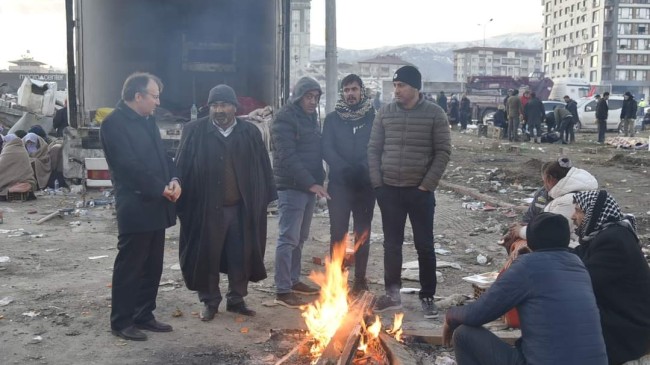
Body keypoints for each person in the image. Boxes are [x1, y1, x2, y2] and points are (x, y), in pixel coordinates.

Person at [443, 213, 608, 365]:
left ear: (530, 239)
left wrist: (451, 316)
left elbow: (478, 313)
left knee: (463, 334)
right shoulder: (577, 265)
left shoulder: (527, 266)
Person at [175, 84, 276, 321]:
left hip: (240, 208)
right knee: (207, 255)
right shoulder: (194, 131)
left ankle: (236, 299)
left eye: (224, 105)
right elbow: (180, 168)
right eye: (214, 105)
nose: (219, 110)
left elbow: (263, 167)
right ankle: (210, 301)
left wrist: (266, 200)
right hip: (206, 209)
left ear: (234, 107)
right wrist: (180, 202)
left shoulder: (250, 133)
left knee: (240, 255)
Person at [100, 72, 180, 341]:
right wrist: (160, 188)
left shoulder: (147, 121)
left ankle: (144, 314)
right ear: (138, 96)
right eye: (154, 96)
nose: (158, 102)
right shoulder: (113, 124)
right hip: (135, 205)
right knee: (130, 266)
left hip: (157, 204)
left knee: (153, 265)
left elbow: (162, 156)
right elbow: (127, 166)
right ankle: (121, 322)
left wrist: (174, 179)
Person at [367, 65, 451, 318]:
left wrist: (427, 185)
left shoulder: (435, 114)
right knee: (391, 245)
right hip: (389, 190)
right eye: (395, 85)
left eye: (401, 85)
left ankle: (428, 296)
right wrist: (378, 184)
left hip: (420, 192)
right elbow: (373, 149)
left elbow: (443, 152)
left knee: (424, 245)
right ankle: (393, 295)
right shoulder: (385, 113)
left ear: (415, 87)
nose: (396, 90)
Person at [572, 190, 650, 365]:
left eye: (578, 211)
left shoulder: (613, 240)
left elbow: (583, 280)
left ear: (593, 214)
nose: (573, 216)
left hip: (626, 329)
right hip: (620, 317)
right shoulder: (606, 234)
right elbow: (575, 256)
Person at [271, 77, 329, 308]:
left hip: (307, 187)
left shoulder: (311, 117)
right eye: (308, 96)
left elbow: (314, 151)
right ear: (298, 96)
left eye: (316, 97)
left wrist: (319, 179)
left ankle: (293, 280)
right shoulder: (284, 119)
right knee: (288, 238)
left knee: (300, 238)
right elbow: (288, 157)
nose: (313, 101)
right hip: (292, 187)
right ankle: (283, 289)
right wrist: (311, 184)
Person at [322, 74, 376, 296]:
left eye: (354, 89)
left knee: (362, 232)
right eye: (346, 90)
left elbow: (377, 145)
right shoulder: (333, 119)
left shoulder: (373, 117)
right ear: (342, 93)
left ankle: (360, 280)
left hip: (365, 185)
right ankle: (337, 279)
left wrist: (364, 166)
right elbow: (326, 147)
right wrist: (342, 166)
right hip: (340, 185)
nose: (350, 94)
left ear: (361, 91)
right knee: (338, 233)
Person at [510, 157, 598, 243]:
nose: (545, 187)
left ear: (549, 179)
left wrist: (521, 231)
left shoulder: (568, 200)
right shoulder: (581, 192)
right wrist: (529, 226)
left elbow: (549, 232)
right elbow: (531, 216)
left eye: (544, 181)